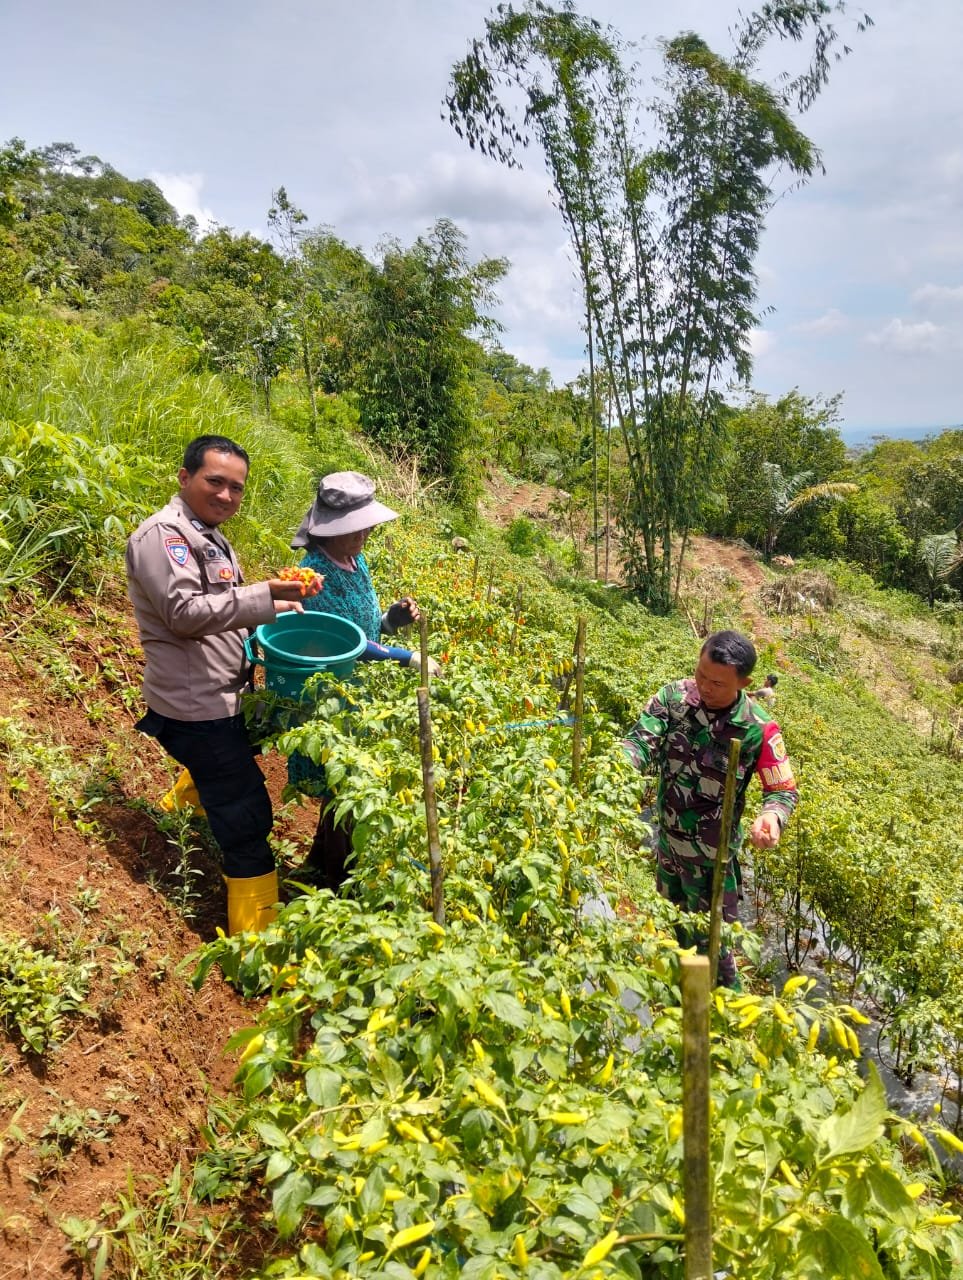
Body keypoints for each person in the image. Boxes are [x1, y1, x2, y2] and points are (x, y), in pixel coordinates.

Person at [125, 435, 319, 935]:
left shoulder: (206, 534)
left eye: (237, 488)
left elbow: (220, 607)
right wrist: (263, 594)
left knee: (231, 766)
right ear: (184, 477)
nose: (227, 496)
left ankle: (182, 806)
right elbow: (184, 614)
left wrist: (275, 606)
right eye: (215, 482)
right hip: (197, 708)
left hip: (219, 698)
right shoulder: (164, 536)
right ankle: (254, 944)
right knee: (246, 818)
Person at [288, 471, 441, 891]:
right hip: (327, 694)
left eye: (367, 525)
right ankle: (337, 886)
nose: (365, 533)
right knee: (344, 785)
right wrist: (406, 657)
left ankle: (318, 862)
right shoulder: (314, 574)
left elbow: (367, 626)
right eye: (355, 527)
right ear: (329, 528)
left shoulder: (357, 561)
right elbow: (343, 642)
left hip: (356, 694)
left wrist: (392, 619)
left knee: (344, 784)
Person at [622, 631, 798, 988]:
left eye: (717, 683)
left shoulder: (757, 729)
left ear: (744, 683)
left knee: (713, 951)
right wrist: (617, 765)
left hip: (712, 864)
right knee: (674, 933)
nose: (704, 686)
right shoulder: (674, 698)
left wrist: (771, 817)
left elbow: (782, 791)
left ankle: (719, 1015)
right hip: (668, 847)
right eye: (700, 674)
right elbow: (640, 742)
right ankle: (683, 1005)